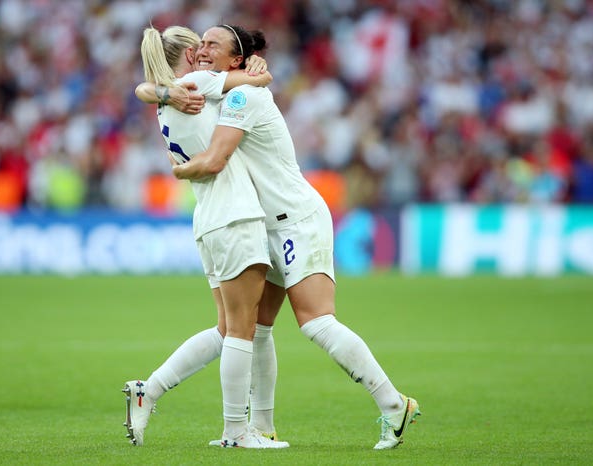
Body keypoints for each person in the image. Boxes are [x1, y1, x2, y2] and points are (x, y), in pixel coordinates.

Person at [141, 24, 421, 450]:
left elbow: (215, 158)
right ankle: (264, 427)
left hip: (297, 219)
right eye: (200, 44)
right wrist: (161, 92)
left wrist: (179, 170)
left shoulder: (241, 95)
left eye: (212, 44)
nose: (202, 49)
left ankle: (392, 404)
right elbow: (153, 87)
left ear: (237, 59)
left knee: (316, 321)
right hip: (264, 222)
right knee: (255, 329)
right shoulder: (219, 88)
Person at [124, 24, 288, 449]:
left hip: (210, 219)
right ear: (191, 53)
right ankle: (236, 432)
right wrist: (256, 64)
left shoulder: (169, 97)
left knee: (226, 327)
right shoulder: (194, 83)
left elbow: (147, 89)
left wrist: (154, 89)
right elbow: (257, 80)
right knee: (242, 330)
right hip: (235, 216)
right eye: (201, 46)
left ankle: (150, 390)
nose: (205, 53)